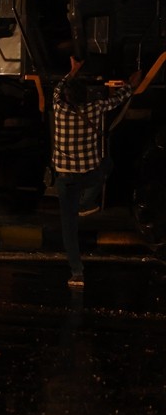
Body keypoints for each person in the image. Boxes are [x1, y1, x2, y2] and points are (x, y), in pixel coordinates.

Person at [52, 56, 142, 288]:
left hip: (65, 178)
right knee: (107, 166)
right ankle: (87, 202)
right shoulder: (95, 108)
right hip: (89, 174)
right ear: (86, 97)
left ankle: (77, 273)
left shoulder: (59, 109)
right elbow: (120, 98)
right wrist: (132, 83)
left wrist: (72, 71)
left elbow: (58, 89)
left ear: (67, 99)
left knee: (69, 228)